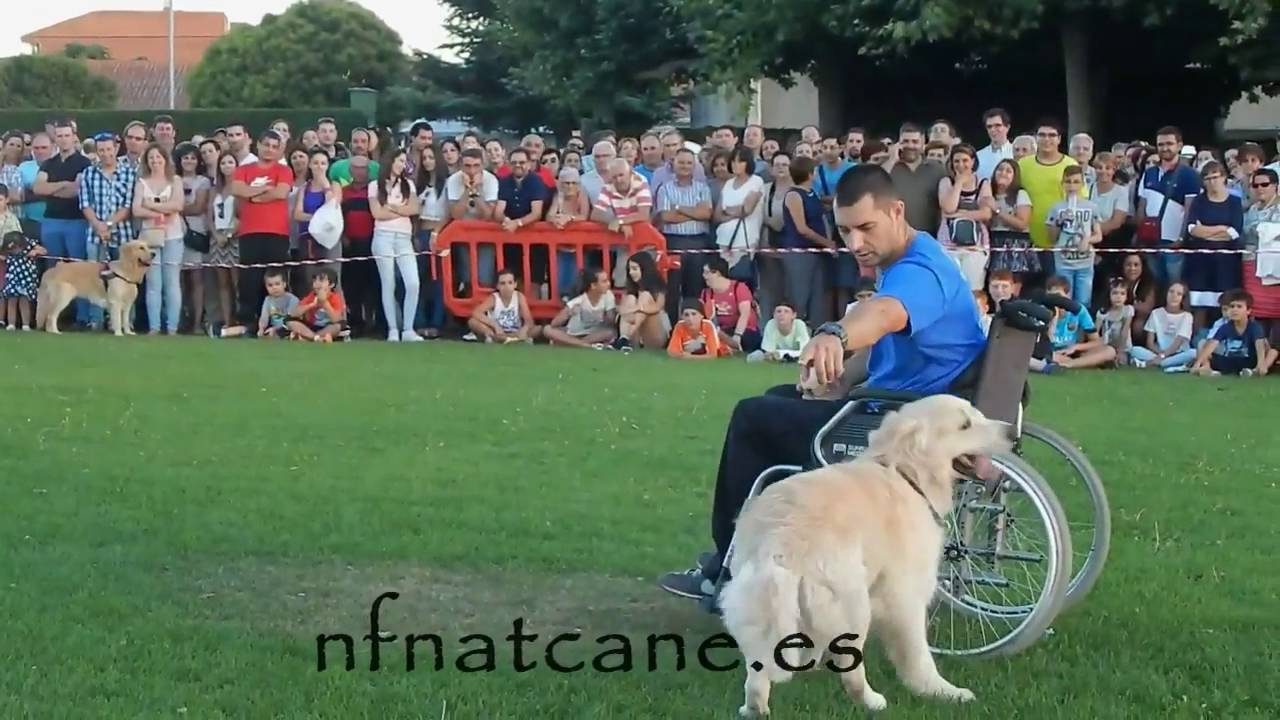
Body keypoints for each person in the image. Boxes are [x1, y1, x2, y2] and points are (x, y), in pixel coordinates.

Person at [659, 164, 988, 601]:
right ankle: (769, 556)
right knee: (780, 399)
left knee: (752, 418)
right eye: (845, 231)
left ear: (897, 211)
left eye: (866, 228)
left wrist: (836, 334)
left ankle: (731, 568)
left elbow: (883, 315)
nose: (855, 244)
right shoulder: (910, 258)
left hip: (900, 424)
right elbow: (893, 342)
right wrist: (842, 379)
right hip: (904, 404)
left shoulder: (919, 272)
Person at [1190, 289, 1275, 376]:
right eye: (1232, 306)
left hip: (1248, 361)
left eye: (1239, 307)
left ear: (1248, 311)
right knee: (1204, 346)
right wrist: (1198, 363)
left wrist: (1261, 363)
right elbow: (1212, 344)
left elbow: (1259, 345)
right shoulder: (1225, 327)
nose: (1235, 310)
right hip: (1229, 361)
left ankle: (1256, 370)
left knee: (1272, 351)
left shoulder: (1254, 327)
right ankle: (1207, 368)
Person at [210, 269, 298, 339]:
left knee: (286, 331)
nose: (274, 287)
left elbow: (290, 320)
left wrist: (276, 329)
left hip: (287, 328)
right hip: (271, 327)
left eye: (277, 284)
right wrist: (261, 329)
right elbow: (264, 318)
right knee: (250, 327)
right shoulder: (268, 299)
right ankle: (221, 332)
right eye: (270, 285)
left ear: (284, 284)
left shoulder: (291, 299)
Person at [699, 256, 762, 354]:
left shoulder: (739, 288)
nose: (703, 276)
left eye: (707, 272)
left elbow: (745, 314)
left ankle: (729, 346)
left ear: (717, 273)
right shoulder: (705, 293)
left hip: (744, 330)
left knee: (747, 340)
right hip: (722, 330)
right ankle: (728, 346)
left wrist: (737, 335)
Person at [542, 267, 618, 348]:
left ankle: (572, 343)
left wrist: (614, 312)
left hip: (593, 334)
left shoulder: (608, 296)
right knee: (547, 329)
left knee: (611, 332)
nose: (608, 284)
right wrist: (568, 313)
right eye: (604, 281)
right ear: (593, 286)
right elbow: (554, 323)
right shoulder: (579, 300)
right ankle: (583, 345)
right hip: (573, 333)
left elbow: (611, 320)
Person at [1129, 281, 1196, 371]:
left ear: (1183, 298)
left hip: (1178, 353)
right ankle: (1165, 363)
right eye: (1171, 292)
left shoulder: (1187, 316)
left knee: (1194, 353)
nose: (1174, 296)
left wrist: (1163, 356)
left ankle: (1152, 363)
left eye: (1179, 294)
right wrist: (1160, 354)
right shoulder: (1156, 313)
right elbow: (1150, 343)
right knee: (1134, 350)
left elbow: (1177, 343)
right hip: (1157, 352)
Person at [613, 252, 670, 351]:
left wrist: (637, 308)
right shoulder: (630, 289)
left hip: (656, 332)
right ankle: (624, 339)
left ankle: (626, 338)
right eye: (629, 269)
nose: (631, 272)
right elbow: (623, 311)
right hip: (636, 334)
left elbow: (658, 307)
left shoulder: (658, 285)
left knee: (645, 295)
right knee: (630, 298)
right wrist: (624, 309)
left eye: (634, 269)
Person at [465, 268, 538, 344]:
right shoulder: (494, 298)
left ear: (515, 284)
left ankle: (508, 338)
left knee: (538, 329)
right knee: (472, 322)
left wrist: (524, 330)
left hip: (515, 331)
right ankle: (495, 336)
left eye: (510, 283)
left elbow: (529, 320)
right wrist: (495, 325)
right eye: (503, 283)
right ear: (497, 286)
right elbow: (476, 312)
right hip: (497, 331)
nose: (507, 286)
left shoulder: (519, 296)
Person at [287, 269, 347, 342]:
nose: (317, 283)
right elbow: (294, 314)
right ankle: (316, 338)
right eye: (315, 281)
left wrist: (324, 303)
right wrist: (311, 305)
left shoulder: (335, 297)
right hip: (311, 327)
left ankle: (309, 338)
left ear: (331, 285)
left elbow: (336, 319)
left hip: (328, 327)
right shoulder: (311, 296)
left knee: (337, 327)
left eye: (321, 280)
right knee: (290, 322)